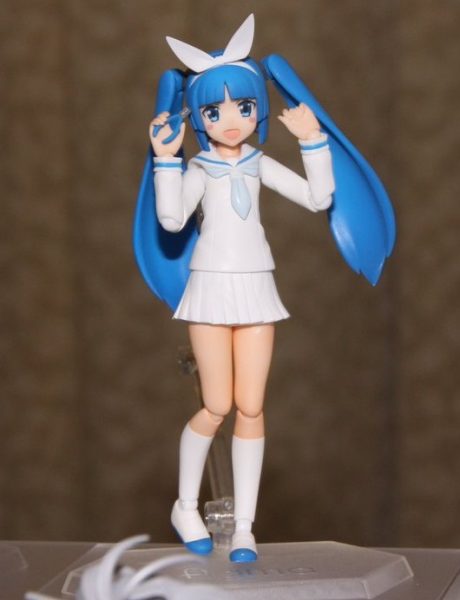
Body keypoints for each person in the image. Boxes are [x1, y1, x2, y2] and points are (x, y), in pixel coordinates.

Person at [133, 14, 395, 563]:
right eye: (215, 111)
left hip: (256, 286)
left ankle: (246, 529)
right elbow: (171, 218)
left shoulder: (258, 163)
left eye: (244, 106)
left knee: (251, 407)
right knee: (216, 404)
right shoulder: (198, 168)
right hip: (210, 288)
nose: (231, 120)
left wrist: (313, 141)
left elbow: (319, 199)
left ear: (258, 110)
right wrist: (165, 159)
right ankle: (185, 505)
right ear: (198, 117)